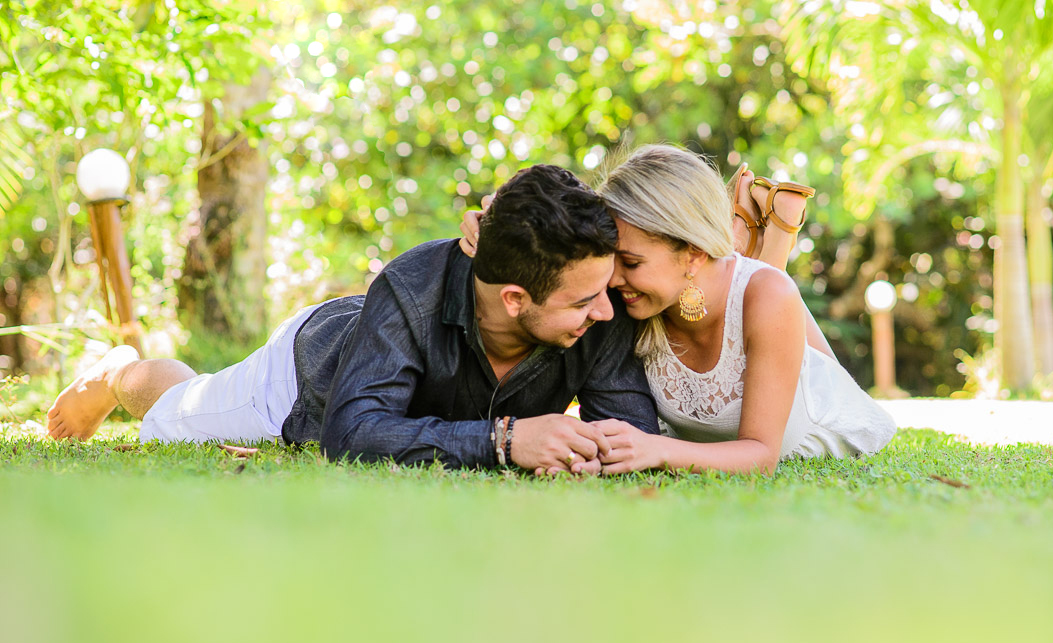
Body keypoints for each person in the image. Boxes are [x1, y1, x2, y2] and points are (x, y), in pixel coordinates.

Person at [46, 165, 659, 473]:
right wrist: (502, 441)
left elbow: (627, 429)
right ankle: (120, 372)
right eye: (583, 304)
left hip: (367, 361)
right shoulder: (412, 288)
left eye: (603, 292)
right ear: (514, 299)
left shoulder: (594, 296)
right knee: (180, 405)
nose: (607, 311)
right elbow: (353, 431)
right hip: (306, 380)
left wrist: (582, 459)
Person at [461, 145, 896, 474]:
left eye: (629, 263)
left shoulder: (768, 297)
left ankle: (759, 234)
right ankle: (749, 228)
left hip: (820, 427)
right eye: (613, 261)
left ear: (690, 252)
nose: (611, 282)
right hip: (708, 300)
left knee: (765, 283)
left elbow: (762, 456)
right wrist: (500, 232)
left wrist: (657, 450)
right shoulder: (628, 302)